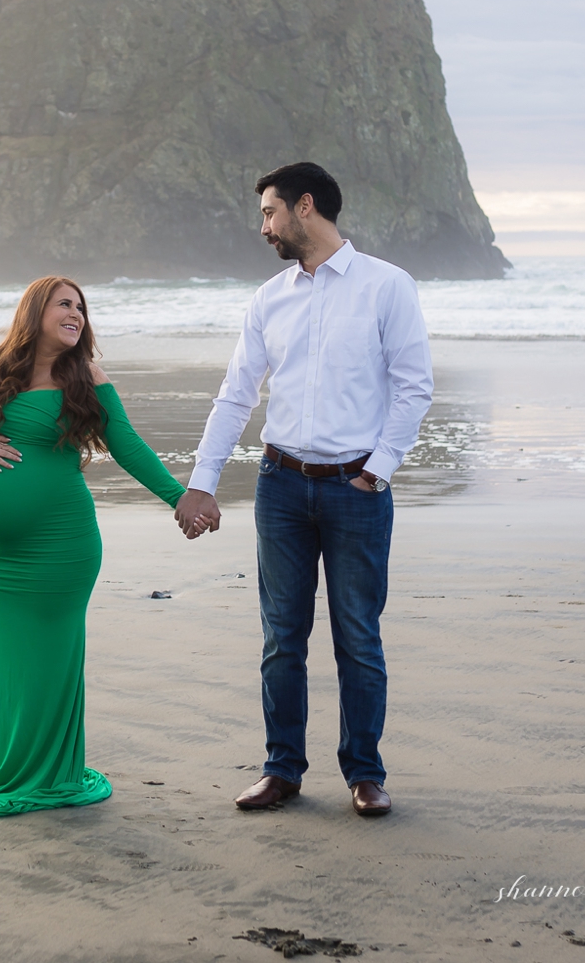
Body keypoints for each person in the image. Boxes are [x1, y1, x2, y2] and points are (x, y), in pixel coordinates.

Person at [174, 162, 433, 818]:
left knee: (358, 637)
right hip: (281, 487)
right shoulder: (269, 299)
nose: (263, 226)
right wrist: (202, 483)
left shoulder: (386, 287)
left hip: (357, 489)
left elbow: (413, 385)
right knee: (281, 638)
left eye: (269, 212)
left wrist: (380, 466)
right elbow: (237, 397)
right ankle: (282, 769)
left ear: (304, 207)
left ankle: (365, 775)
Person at [0, 275, 192, 817]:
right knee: (5, 656)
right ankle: (5, 764)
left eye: (81, 307)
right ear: (35, 311)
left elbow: (127, 445)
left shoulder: (86, 377)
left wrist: (179, 497)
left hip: (60, 546)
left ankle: (49, 772)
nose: (76, 313)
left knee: (50, 656)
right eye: (65, 304)